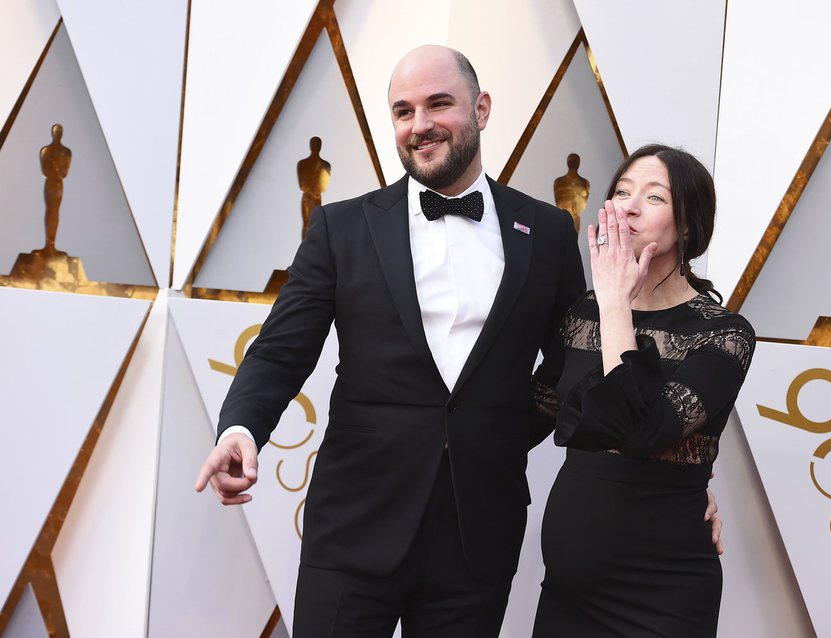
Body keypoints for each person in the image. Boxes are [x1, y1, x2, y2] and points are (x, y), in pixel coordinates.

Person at [194, 47, 720, 637]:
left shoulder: (545, 231)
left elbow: (580, 364)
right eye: (403, 111)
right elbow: (280, 350)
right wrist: (240, 429)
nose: (420, 125)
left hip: (479, 528)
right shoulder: (341, 227)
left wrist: (680, 483)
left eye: (438, 104)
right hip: (355, 521)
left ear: (481, 109)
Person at [532, 144, 755, 637]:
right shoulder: (581, 314)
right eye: (622, 192)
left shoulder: (724, 333)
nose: (628, 206)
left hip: (664, 587)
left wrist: (616, 305)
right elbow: (531, 411)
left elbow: (640, 431)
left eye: (654, 197)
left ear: (689, 226)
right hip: (569, 585)